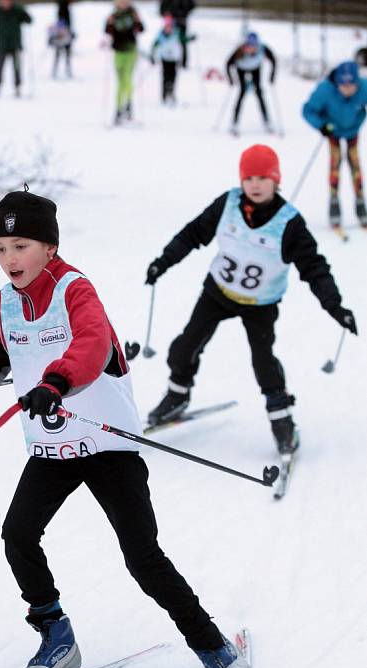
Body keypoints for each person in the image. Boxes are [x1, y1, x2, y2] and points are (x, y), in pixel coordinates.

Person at [0, 185, 250, 668]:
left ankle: (211, 644)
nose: (8, 259)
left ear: (49, 247)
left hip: (109, 445)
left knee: (142, 557)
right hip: (54, 449)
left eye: (20, 246)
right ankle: (57, 639)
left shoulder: (75, 291)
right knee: (18, 536)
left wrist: (56, 382)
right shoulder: (6, 306)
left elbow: (91, 343)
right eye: (0, 248)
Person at [145, 145, 357, 454]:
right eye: (249, 178)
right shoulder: (228, 204)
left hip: (261, 304)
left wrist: (336, 307)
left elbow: (315, 269)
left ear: (276, 180)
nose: (255, 185)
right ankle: (177, 396)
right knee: (185, 346)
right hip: (217, 293)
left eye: (263, 178)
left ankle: (283, 421)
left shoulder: (289, 224)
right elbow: (193, 233)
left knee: (264, 362)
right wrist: (162, 262)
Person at [302, 61, 367, 229]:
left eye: (351, 85)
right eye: (343, 85)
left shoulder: (364, 87)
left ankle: (360, 202)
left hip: (352, 130)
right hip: (333, 131)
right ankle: (334, 201)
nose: (347, 89)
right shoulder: (325, 90)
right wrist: (321, 125)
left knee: (355, 164)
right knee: (335, 164)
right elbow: (308, 110)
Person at [226, 32, 276, 136]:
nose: (251, 48)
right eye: (249, 45)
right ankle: (234, 123)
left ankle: (267, 121)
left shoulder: (262, 48)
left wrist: (271, 76)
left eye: (253, 46)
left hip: (255, 69)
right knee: (242, 93)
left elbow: (273, 60)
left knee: (259, 94)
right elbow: (228, 64)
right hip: (241, 69)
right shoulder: (239, 50)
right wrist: (231, 80)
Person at [104, 0, 144, 125]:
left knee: (126, 79)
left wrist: (138, 21)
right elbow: (108, 31)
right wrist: (109, 23)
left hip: (131, 51)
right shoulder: (114, 15)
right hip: (118, 51)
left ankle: (126, 106)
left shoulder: (133, 13)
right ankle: (121, 108)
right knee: (120, 81)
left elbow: (141, 29)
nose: (123, 3)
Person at [0, 0, 32, 98]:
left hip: (15, 45)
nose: (5, 2)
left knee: (17, 67)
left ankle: (17, 88)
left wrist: (25, 13)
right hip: (2, 45)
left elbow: (28, 20)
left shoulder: (17, 10)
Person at [151, 14, 194, 104]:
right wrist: (152, 55)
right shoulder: (161, 36)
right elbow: (155, 45)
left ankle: (171, 93)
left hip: (174, 59)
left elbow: (184, 39)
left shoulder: (176, 34)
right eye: (167, 27)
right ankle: (164, 94)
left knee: (173, 76)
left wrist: (191, 38)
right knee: (165, 77)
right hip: (165, 59)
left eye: (170, 27)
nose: (168, 29)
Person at [159, 0, 195, 69]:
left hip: (182, 21)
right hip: (170, 21)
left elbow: (192, 5)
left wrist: (184, 13)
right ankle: (167, 60)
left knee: (182, 41)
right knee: (168, 41)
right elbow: (163, 7)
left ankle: (183, 63)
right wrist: (166, 13)